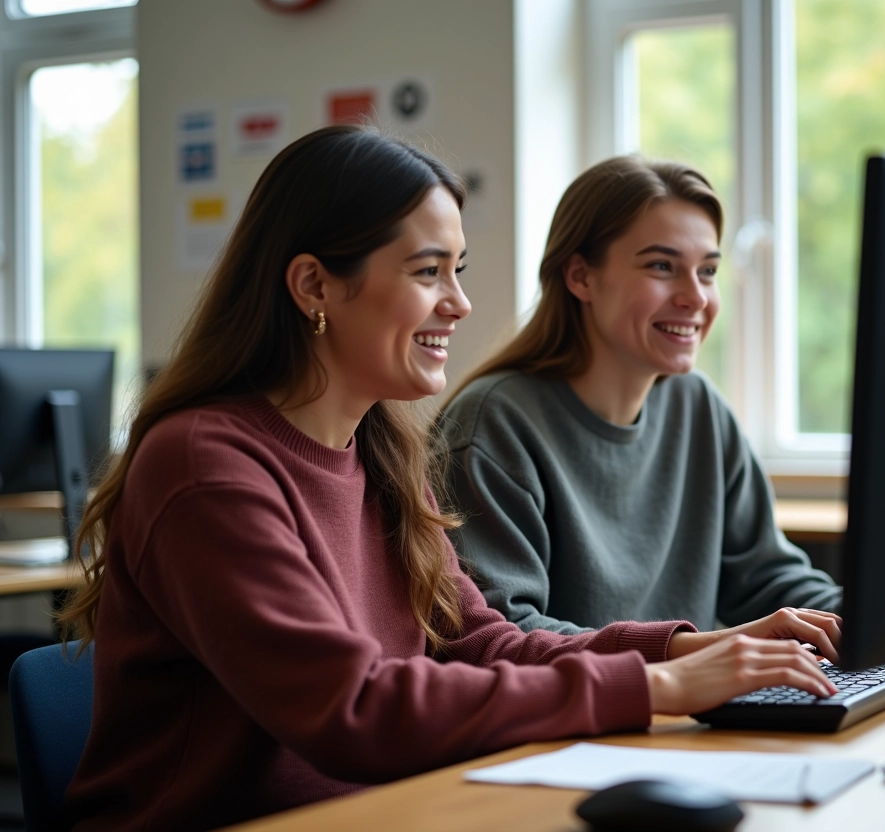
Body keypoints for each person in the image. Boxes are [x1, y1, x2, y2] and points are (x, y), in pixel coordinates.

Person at [55, 126, 842, 832]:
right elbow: (352, 708)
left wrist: (684, 650)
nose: (461, 304)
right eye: (429, 271)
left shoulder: (381, 450)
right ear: (314, 286)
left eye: (457, 270)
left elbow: (480, 644)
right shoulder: (204, 465)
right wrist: (658, 688)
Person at [440, 156, 842, 636]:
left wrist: (869, 615)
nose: (695, 297)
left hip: (686, 707)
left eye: (708, 271)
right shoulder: (493, 426)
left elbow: (766, 579)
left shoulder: (699, 407)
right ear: (580, 277)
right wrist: (693, 654)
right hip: (593, 710)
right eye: (662, 266)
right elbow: (505, 637)